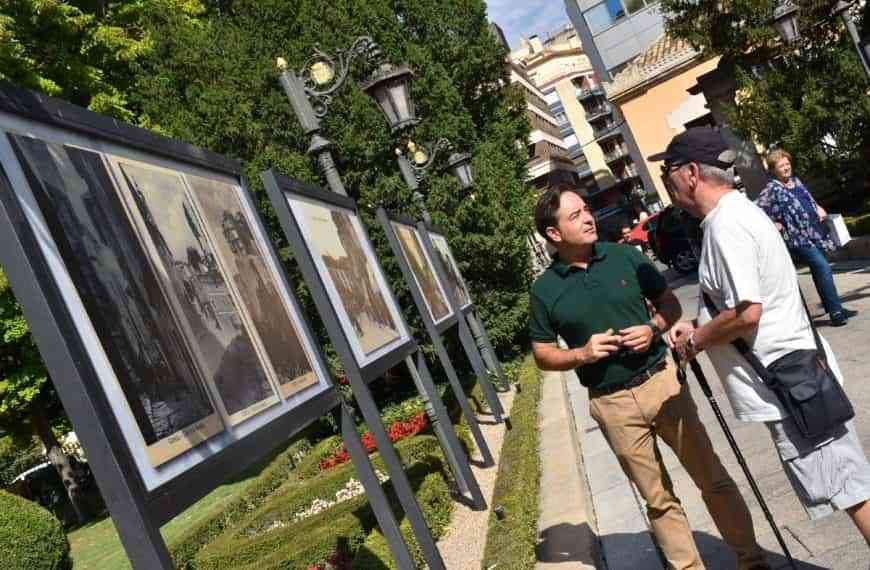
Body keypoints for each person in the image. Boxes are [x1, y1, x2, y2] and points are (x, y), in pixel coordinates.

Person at [528, 186, 769, 570]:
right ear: (554, 234)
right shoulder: (544, 291)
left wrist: (653, 328)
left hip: (663, 382)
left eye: (587, 210)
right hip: (612, 404)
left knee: (713, 479)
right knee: (658, 499)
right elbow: (542, 353)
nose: (589, 218)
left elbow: (669, 304)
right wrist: (581, 354)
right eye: (575, 216)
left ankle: (751, 559)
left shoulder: (624, 256)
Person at [653, 127, 870, 544]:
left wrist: (696, 341)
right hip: (793, 379)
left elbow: (747, 312)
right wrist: (700, 325)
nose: (667, 182)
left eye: (670, 172)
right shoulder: (735, 215)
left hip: (791, 384)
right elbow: (741, 305)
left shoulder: (726, 226)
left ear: (692, 172)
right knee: (846, 484)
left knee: (850, 488)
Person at [755, 149, 857, 326]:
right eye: (781, 166)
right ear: (773, 170)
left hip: (815, 233)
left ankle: (833, 306)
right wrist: (774, 223)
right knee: (823, 267)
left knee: (819, 270)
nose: (786, 168)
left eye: (787, 164)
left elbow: (808, 199)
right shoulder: (772, 189)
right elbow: (758, 211)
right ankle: (836, 312)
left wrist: (818, 207)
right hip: (797, 238)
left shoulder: (796, 181)